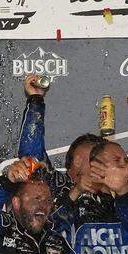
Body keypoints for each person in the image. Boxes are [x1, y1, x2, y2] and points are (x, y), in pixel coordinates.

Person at [17, 74, 101, 207]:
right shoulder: (54, 183)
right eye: (97, 157)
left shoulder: (112, 190)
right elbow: (31, 155)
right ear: (77, 160)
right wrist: (35, 99)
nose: (103, 163)